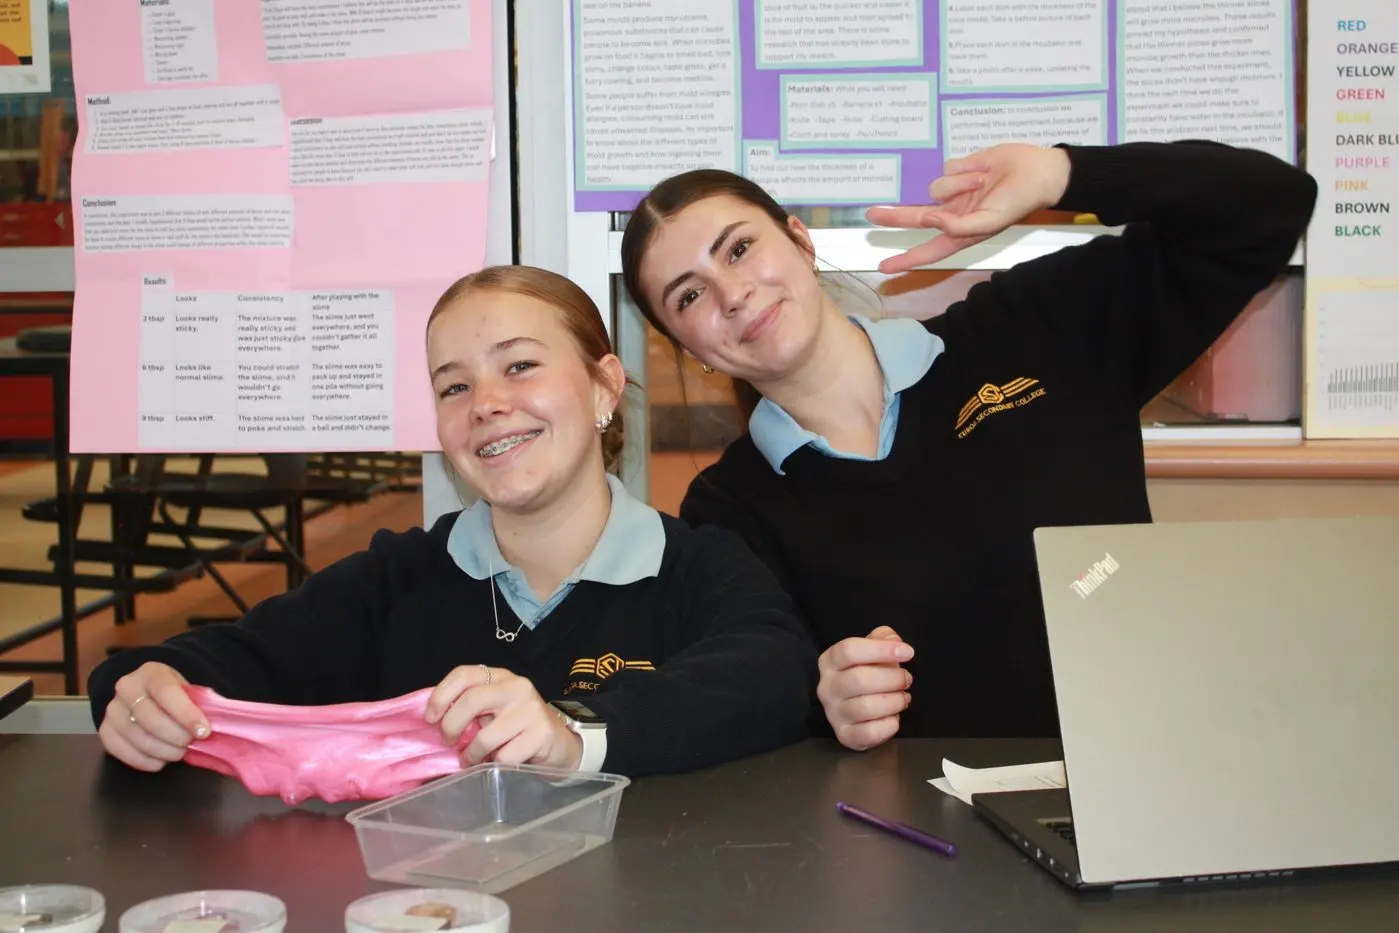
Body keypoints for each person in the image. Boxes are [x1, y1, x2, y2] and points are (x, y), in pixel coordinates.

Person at [621, 140, 1317, 750]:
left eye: (740, 248)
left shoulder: (1034, 327)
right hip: (939, 856)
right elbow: (758, 706)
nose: (733, 293)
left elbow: (1269, 206)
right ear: (688, 347)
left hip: (1151, 784)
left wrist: (1063, 174)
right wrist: (821, 701)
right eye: (689, 296)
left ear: (800, 241)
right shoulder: (729, 512)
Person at [88, 265, 818, 778]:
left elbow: (773, 674)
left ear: (603, 386)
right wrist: (140, 686)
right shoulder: (395, 581)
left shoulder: (698, 565)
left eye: (520, 366)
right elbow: (231, 661)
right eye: (455, 385)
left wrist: (575, 733)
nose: (487, 402)